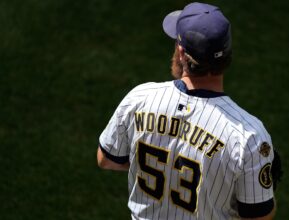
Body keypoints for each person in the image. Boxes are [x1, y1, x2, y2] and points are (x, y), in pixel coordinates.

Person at [97, 2, 279, 219]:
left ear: (181, 52)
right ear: (228, 55)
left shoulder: (140, 99)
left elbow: (106, 159)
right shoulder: (248, 137)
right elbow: (258, 216)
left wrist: (162, 167)